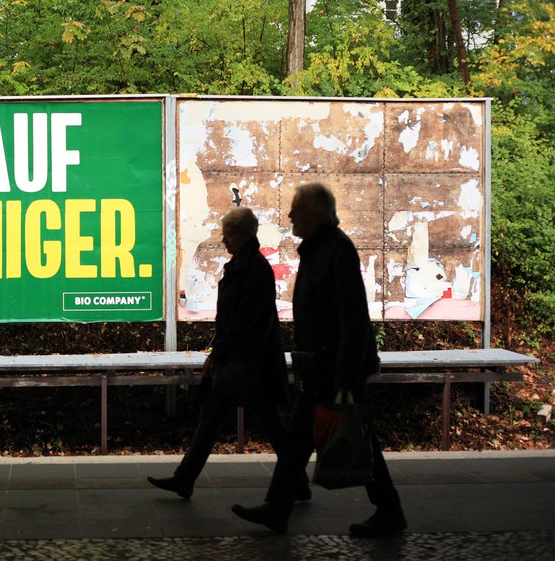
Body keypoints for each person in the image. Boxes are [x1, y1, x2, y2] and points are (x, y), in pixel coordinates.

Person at [231, 183, 406, 536]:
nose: (291, 215)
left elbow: (352, 317)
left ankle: (389, 511)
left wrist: (346, 375)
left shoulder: (337, 250)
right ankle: (278, 507)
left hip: (334, 368)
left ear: (317, 212)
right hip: (319, 365)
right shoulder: (317, 249)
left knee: (355, 438)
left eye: (297, 209)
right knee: (299, 441)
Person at [147, 207, 309, 500]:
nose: (224, 240)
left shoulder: (254, 269)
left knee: (267, 425)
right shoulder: (245, 266)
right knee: (216, 419)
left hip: (249, 364)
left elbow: (245, 321)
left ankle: (297, 484)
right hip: (242, 361)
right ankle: (185, 478)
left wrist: (218, 355)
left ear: (247, 234)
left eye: (229, 234)